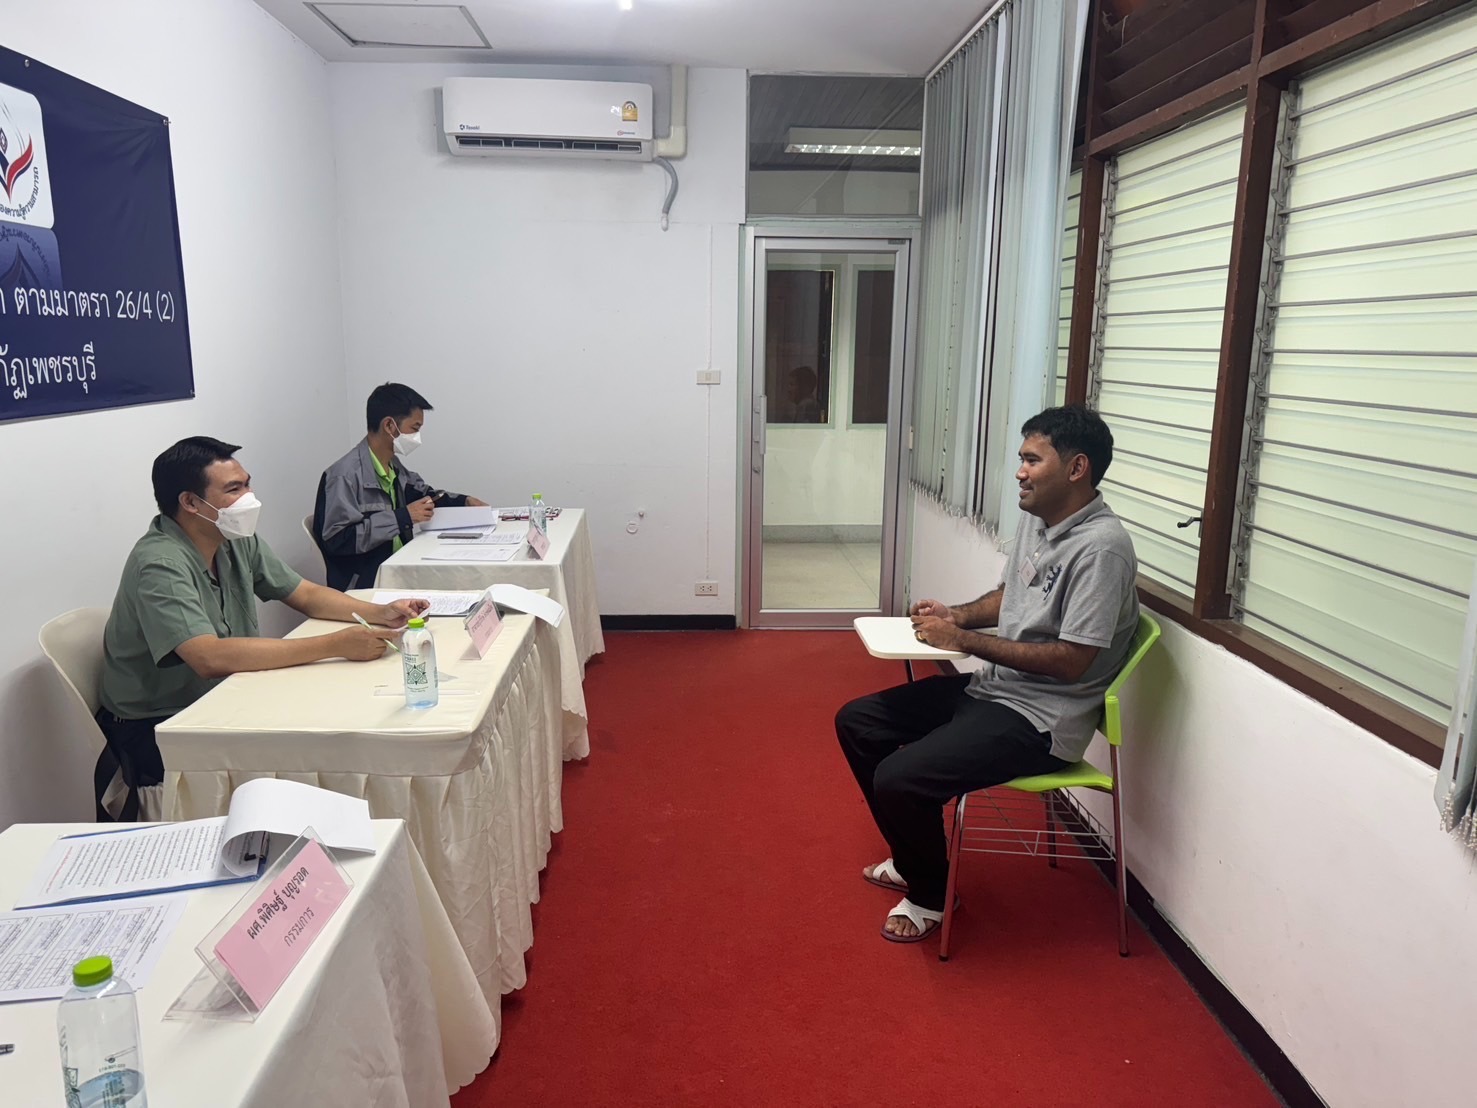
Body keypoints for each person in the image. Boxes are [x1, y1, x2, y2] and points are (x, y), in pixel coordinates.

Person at [835, 405, 1140, 943]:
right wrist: (956, 617)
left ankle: (931, 896)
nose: (1019, 472)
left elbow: (1073, 661)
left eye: (1032, 460)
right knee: (858, 721)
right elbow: (1009, 595)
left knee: (899, 777)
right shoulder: (1039, 519)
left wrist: (963, 643)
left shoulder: (1102, 550)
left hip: (1042, 720)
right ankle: (914, 860)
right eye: (1021, 458)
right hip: (995, 690)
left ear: (1077, 468)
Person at [96, 436, 428, 822]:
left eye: (247, 484)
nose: (249, 498)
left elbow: (305, 594)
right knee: (308, 749)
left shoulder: (233, 538)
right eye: (233, 489)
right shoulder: (160, 564)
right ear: (190, 502)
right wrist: (336, 645)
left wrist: (379, 612)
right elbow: (207, 657)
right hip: (160, 725)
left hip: (225, 693)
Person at [313, 383, 487, 590]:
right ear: (389, 426)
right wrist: (402, 517)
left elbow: (423, 494)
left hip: (400, 569)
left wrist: (464, 501)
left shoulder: (393, 466)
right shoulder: (343, 476)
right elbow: (338, 541)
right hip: (366, 585)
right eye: (414, 428)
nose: (417, 437)